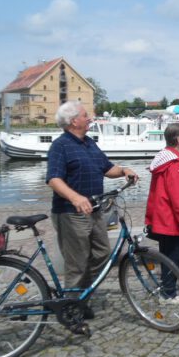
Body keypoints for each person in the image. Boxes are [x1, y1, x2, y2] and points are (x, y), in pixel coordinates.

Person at [46, 101, 138, 319]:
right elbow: (53, 179)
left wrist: (124, 170)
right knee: (77, 263)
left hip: (95, 210)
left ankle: (80, 298)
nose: (90, 118)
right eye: (86, 115)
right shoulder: (61, 145)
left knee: (102, 254)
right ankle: (71, 310)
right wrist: (75, 197)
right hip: (70, 212)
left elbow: (107, 168)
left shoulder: (88, 143)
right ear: (73, 121)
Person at [144, 123, 179, 304]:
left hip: (163, 218)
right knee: (174, 256)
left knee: (166, 254)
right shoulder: (174, 164)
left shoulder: (163, 160)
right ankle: (168, 293)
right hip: (173, 221)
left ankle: (168, 288)